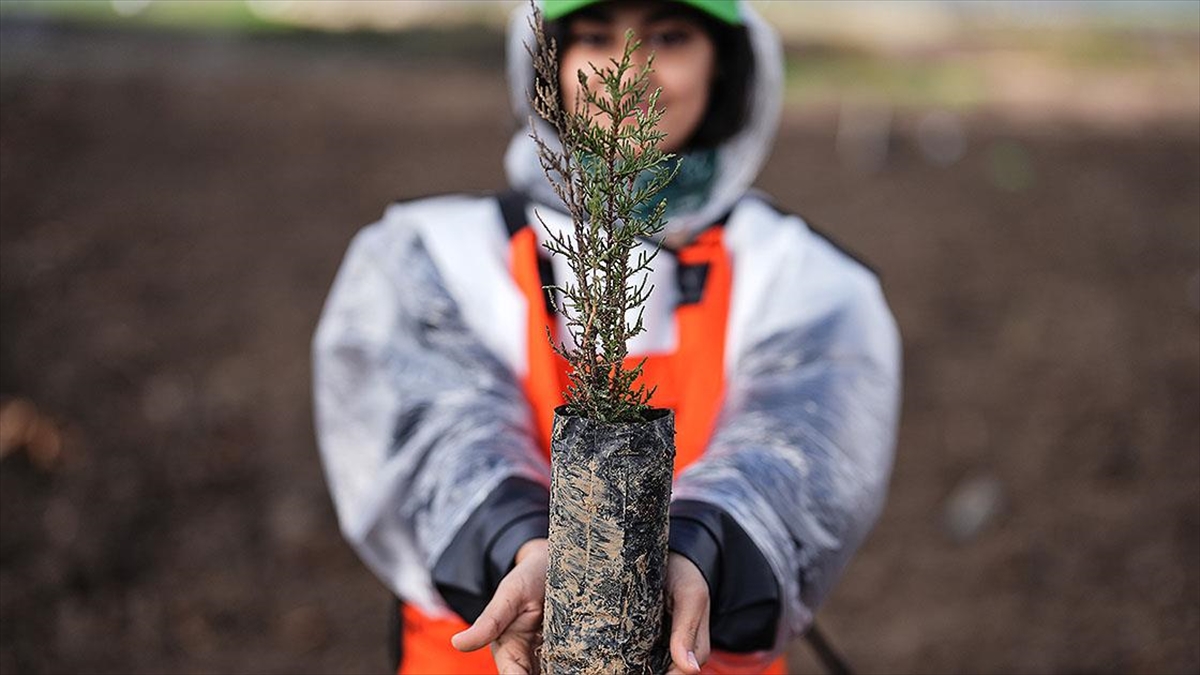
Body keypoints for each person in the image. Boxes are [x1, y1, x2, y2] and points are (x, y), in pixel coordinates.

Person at [312, 0, 902, 673]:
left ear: (725, 63)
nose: (628, 71)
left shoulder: (803, 277)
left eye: (670, 37)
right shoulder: (436, 255)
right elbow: (434, 446)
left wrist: (701, 549)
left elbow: (799, 459)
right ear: (549, 60)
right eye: (594, 36)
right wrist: (524, 544)